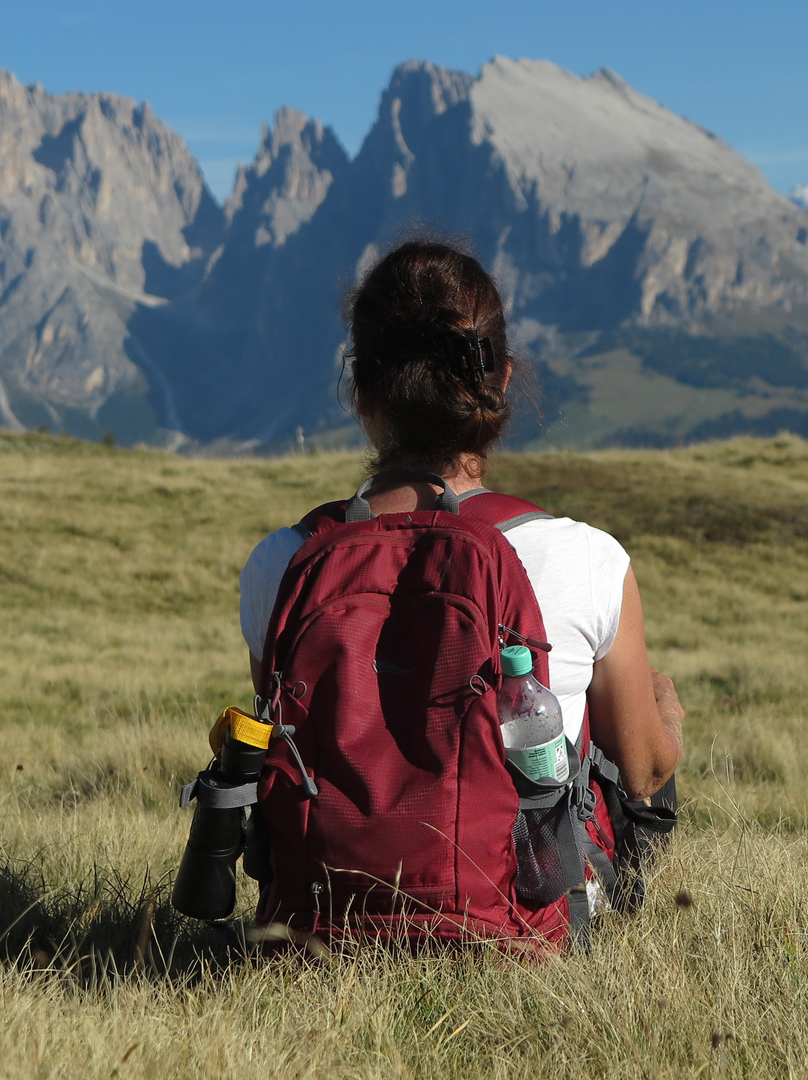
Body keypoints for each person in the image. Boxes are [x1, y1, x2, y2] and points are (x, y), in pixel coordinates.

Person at [234, 238, 683, 947]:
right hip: (515, 928)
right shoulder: (587, 558)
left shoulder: (282, 564)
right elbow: (644, 769)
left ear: (362, 391)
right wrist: (666, 713)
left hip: (320, 930)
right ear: (499, 380)